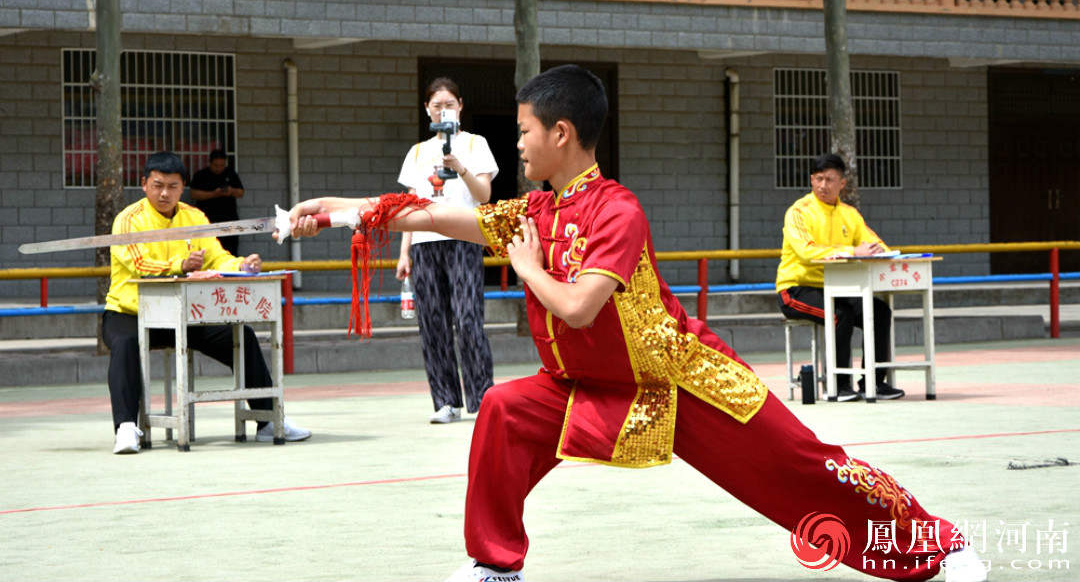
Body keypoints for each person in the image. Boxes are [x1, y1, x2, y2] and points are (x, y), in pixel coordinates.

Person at [285, 65, 987, 582]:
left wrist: (527, 269)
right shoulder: (534, 210)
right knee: (503, 409)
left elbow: (581, 305)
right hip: (586, 382)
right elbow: (434, 213)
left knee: (803, 465)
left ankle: (937, 544)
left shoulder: (616, 210)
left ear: (560, 133)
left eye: (524, 131)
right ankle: (496, 565)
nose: (518, 143)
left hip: (678, 378)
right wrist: (338, 209)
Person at [103, 151, 310, 454]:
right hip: (129, 311)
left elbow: (218, 257)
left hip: (182, 313)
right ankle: (125, 428)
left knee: (243, 336)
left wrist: (243, 266)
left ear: (183, 186)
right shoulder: (128, 220)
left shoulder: (195, 218)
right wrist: (181, 264)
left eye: (172, 186)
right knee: (123, 346)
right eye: (157, 185)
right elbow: (138, 265)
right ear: (144, 183)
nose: (164, 193)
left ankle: (267, 421)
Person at [395, 78, 498, 424]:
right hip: (424, 243)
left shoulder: (474, 144)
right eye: (437, 105)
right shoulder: (418, 152)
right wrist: (404, 252)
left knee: (468, 319)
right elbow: (409, 205)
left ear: (461, 106)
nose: (443, 110)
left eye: (449, 104)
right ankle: (445, 401)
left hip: (465, 239)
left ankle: (483, 397)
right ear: (427, 109)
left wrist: (461, 168)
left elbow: (483, 196)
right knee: (433, 322)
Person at [776, 153, 905, 402]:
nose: (823, 185)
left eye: (830, 180)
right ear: (811, 180)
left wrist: (881, 251)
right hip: (795, 290)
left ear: (842, 184)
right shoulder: (798, 212)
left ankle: (875, 383)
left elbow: (875, 243)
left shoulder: (850, 214)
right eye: (819, 179)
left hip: (836, 288)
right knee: (840, 314)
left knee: (880, 312)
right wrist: (850, 251)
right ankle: (839, 384)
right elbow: (806, 252)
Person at [189, 149, 245, 255]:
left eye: (222, 165)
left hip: (229, 221)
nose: (219, 168)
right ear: (210, 163)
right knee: (208, 252)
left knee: (230, 252)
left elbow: (241, 192)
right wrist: (214, 194)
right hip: (208, 221)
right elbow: (194, 193)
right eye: (216, 165)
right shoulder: (202, 175)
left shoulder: (231, 174)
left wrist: (231, 191)